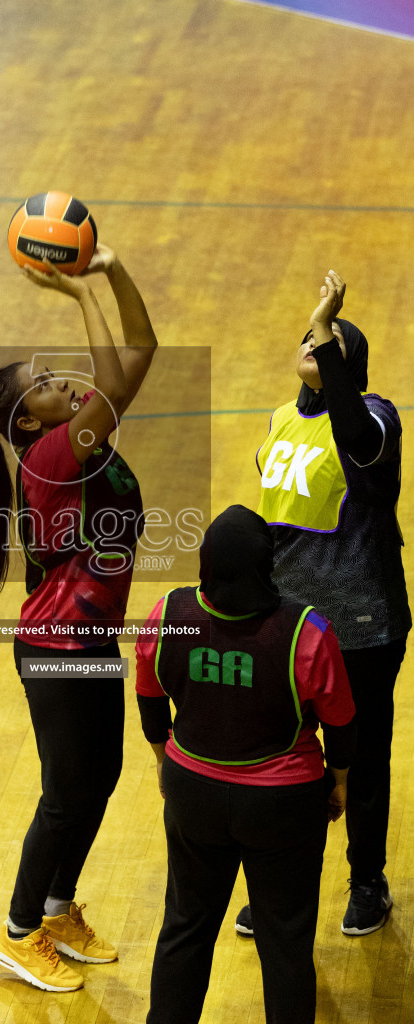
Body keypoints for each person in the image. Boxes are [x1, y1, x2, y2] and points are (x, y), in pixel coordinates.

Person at [0, 245, 157, 991]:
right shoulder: (50, 454)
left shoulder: (81, 437)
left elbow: (139, 348)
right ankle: (17, 932)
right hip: (54, 646)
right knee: (63, 790)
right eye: (44, 384)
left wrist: (112, 271)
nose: (61, 385)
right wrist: (78, 295)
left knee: (100, 777)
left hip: (87, 638)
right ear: (26, 419)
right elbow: (111, 382)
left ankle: (55, 910)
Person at [136, 505, 356, 1024]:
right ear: (268, 563)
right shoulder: (306, 630)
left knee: (185, 929)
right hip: (283, 805)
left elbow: (149, 697)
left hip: (193, 793)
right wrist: (339, 781)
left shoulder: (169, 613)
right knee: (285, 944)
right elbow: (342, 723)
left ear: (205, 563)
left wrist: (164, 761)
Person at [251, 269, 411, 936]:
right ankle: (282, 892)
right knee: (286, 756)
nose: (311, 346)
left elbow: (357, 441)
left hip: (361, 623)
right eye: (306, 338)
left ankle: (366, 883)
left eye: (326, 342)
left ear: (349, 366)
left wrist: (327, 328)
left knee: (363, 759)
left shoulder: (374, 418)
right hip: (291, 623)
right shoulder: (281, 418)